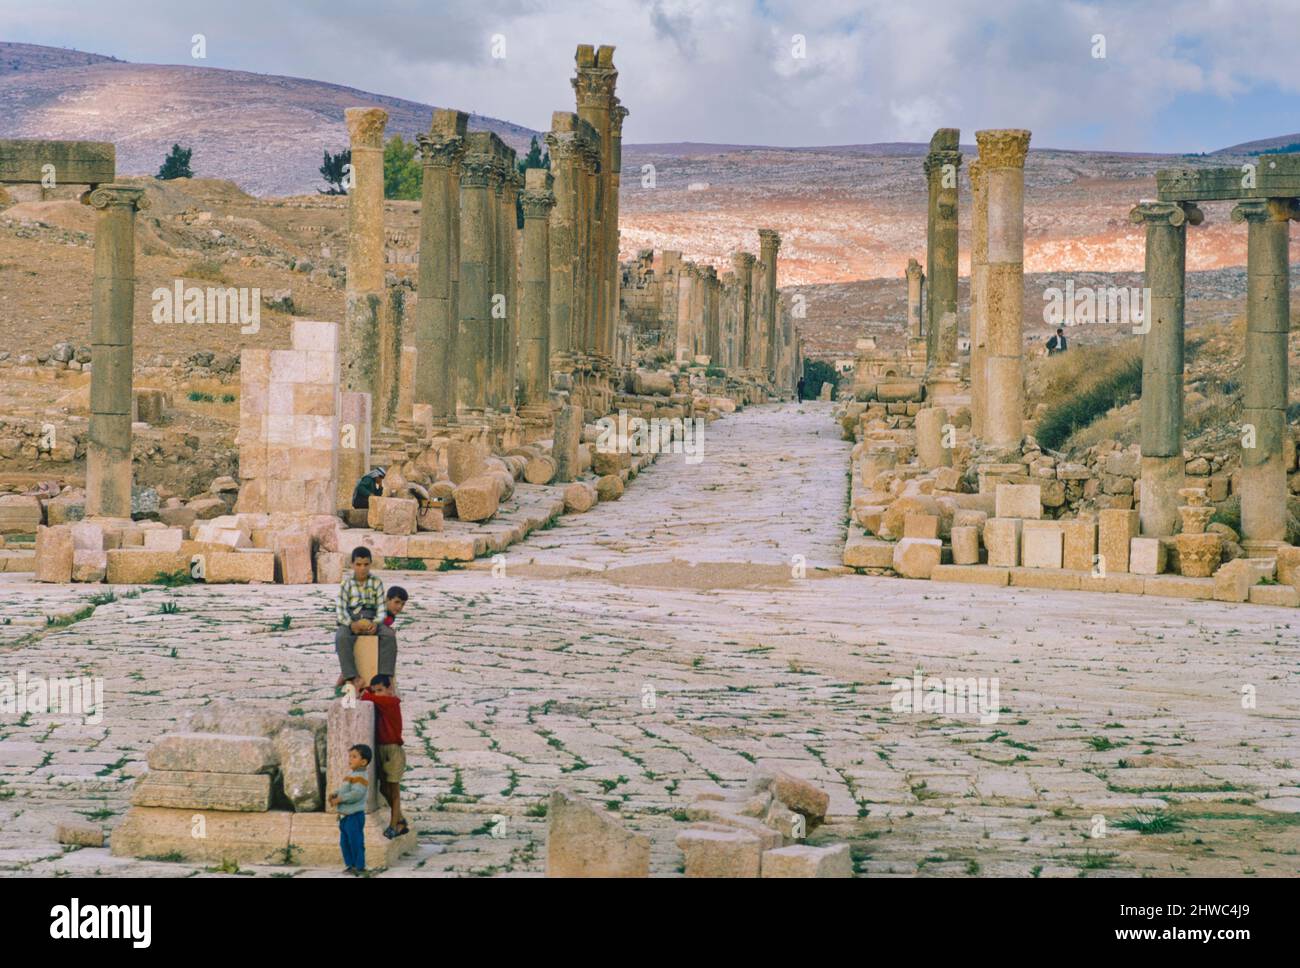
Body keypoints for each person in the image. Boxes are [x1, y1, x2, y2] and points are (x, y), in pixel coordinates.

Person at [334, 547, 397, 693]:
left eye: (366, 564)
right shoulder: (346, 585)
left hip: (371, 617)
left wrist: (376, 623)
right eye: (358, 564)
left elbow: (381, 608)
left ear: (370, 564)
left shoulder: (376, 582)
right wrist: (351, 624)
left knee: (388, 636)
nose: (362, 568)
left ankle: (385, 677)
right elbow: (341, 610)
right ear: (352, 565)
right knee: (342, 637)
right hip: (352, 618)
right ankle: (353, 677)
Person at [361, 675, 408, 839]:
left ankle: (393, 826)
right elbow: (369, 694)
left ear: (390, 689)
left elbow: (366, 696)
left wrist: (364, 688)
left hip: (393, 751)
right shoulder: (381, 700)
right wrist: (370, 689)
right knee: (382, 788)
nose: (378, 694)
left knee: (394, 792)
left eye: (381, 690)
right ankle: (400, 819)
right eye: (376, 691)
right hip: (380, 749)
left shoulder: (392, 702)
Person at [327, 743, 371, 874]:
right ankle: (350, 865)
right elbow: (344, 789)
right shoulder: (351, 775)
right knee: (345, 842)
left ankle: (359, 866)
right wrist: (335, 793)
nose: (350, 759)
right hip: (344, 816)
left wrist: (340, 799)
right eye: (350, 756)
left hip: (354, 816)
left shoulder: (361, 777)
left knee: (356, 841)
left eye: (354, 757)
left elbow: (356, 794)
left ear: (363, 762)